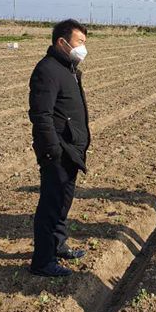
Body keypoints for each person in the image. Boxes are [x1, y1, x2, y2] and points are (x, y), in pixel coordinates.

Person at [28, 19, 91, 277]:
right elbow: (41, 115)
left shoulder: (68, 69)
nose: (83, 48)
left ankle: (58, 244)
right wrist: (53, 149)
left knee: (63, 202)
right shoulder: (47, 70)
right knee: (51, 205)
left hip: (71, 149)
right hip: (58, 151)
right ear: (62, 42)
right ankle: (43, 261)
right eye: (79, 42)